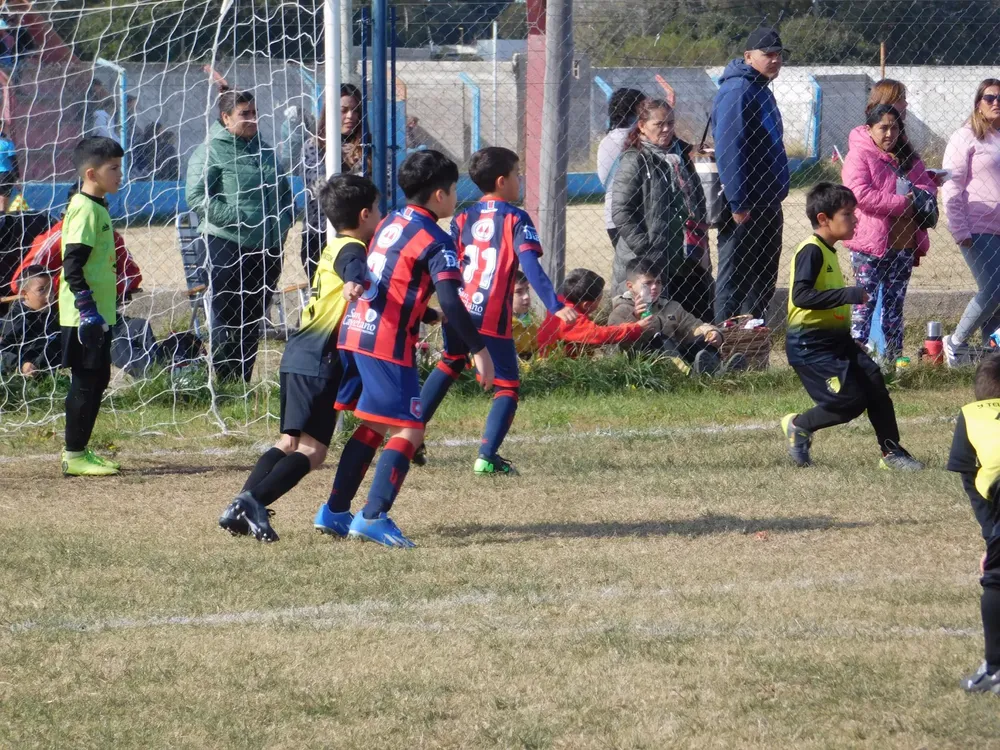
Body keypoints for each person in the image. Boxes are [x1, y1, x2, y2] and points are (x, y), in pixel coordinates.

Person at [313, 150, 495, 548]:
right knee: (410, 429)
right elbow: (452, 300)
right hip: (386, 342)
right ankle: (374, 516)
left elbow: (391, 278)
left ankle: (335, 510)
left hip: (355, 331)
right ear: (440, 195)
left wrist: (422, 313)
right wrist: (478, 349)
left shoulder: (393, 220)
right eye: (453, 190)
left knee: (375, 424)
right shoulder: (437, 240)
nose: (455, 197)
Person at [218, 174, 380, 543]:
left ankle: (239, 506)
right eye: (380, 210)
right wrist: (356, 282)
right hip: (320, 360)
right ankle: (254, 501)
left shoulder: (332, 246)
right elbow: (355, 268)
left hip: (297, 353)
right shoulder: (353, 248)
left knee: (289, 443)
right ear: (366, 214)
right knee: (313, 450)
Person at [418, 147, 575, 476]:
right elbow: (531, 267)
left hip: (459, 308)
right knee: (507, 386)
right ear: (502, 181)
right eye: (518, 174)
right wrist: (555, 304)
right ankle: (487, 456)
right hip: (490, 315)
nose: (521, 179)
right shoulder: (516, 218)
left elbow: (447, 265)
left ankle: (411, 433)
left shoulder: (462, 217)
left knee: (450, 361)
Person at [781, 182, 922, 471]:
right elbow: (801, 296)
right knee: (849, 401)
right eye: (848, 213)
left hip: (836, 341)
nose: (855, 219)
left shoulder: (829, 250)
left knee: (875, 385)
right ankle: (799, 425)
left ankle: (891, 453)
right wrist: (849, 293)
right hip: (810, 346)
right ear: (824, 219)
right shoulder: (812, 251)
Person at [185, 90, 295, 382]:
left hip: (268, 246)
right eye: (244, 114)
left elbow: (283, 190)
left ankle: (243, 378)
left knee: (253, 317)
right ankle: (225, 379)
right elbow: (196, 197)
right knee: (228, 316)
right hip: (227, 244)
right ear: (225, 118)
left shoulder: (265, 150)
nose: (252, 119)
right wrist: (237, 219)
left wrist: (284, 220)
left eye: (254, 113)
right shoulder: (210, 151)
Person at [841, 104, 936, 362]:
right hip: (869, 247)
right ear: (869, 129)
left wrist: (920, 195)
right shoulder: (859, 156)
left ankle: (893, 362)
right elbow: (859, 194)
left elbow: (927, 188)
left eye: (894, 127)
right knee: (864, 307)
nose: (889, 134)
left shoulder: (909, 158)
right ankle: (856, 362)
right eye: (883, 127)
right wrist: (903, 203)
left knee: (894, 308)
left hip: (904, 245)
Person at [711, 27, 790, 323]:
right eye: (767, 54)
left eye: (778, 54)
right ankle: (720, 346)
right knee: (735, 281)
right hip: (746, 205)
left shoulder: (759, 88)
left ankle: (750, 348)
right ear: (748, 56)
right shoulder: (738, 91)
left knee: (762, 280)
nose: (774, 60)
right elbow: (730, 150)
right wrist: (739, 203)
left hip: (767, 201)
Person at [612, 98, 713, 321]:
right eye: (659, 124)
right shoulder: (635, 160)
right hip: (651, 261)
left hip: (686, 257)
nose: (666, 129)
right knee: (655, 323)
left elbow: (695, 201)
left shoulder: (680, 158)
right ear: (641, 126)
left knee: (695, 318)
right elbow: (621, 211)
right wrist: (647, 248)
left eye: (670, 123)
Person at [59, 137, 125, 477]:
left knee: (97, 378)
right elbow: (72, 264)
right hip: (84, 316)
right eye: (112, 168)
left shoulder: (96, 205)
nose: (119, 174)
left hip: (98, 312)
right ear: (90, 173)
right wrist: (87, 309)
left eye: (119, 166)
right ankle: (74, 455)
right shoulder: (84, 208)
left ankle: (80, 451)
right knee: (86, 381)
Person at [947, 354, 1000, 694]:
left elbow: (970, 478)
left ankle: (995, 669)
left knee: (996, 581)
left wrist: (991, 539)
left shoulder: (971, 415)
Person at [942, 79, 1000, 366]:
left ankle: (991, 357)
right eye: (989, 97)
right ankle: (955, 342)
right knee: (993, 289)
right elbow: (952, 185)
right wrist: (958, 227)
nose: (996, 102)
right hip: (977, 226)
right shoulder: (964, 137)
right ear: (978, 102)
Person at [607, 257, 737, 375]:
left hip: (677, 358)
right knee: (662, 340)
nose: (654, 287)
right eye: (648, 283)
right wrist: (640, 327)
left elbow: (693, 326)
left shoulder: (671, 306)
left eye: (658, 282)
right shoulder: (621, 312)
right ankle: (691, 377)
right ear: (630, 286)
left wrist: (712, 332)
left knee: (702, 340)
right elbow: (619, 350)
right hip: (645, 366)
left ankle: (719, 371)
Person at [300, 84, 367, 281]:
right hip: (320, 234)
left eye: (355, 111)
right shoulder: (313, 146)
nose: (350, 116)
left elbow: (385, 189)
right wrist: (356, 176)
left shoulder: (368, 148)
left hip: (361, 234)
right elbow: (321, 190)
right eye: (343, 110)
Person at [537, 268, 651, 358]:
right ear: (586, 305)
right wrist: (636, 328)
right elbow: (601, 334)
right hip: (555, 364)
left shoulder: (561, 303)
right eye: (600, 298)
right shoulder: (570, 318)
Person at [597, 88, 645, 249]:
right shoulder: (637, 140)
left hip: (612, 216)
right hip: (637, 215)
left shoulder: (606, 141)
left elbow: (604, 180)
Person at [0, 265, 59, 376]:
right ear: (24, 294)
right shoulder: (16, 320)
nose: (49, 295)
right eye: (41, 290)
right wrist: (22, 364)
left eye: (51, 289)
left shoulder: (53, 312)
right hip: (29, 369)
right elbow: (3, 350)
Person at [511, 271, 540, 361]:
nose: (526, 296)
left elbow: (537, 352)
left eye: (527, 290)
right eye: (519, 292)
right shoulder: (499, 327)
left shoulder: (529, 324)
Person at [0, 124, 19, 213]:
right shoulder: (7, 143)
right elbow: (13, 161)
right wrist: (18, 178)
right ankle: (3, 222)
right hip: (6, 175)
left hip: (5, 174)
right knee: (3, 204)